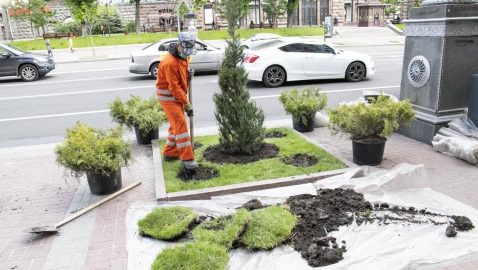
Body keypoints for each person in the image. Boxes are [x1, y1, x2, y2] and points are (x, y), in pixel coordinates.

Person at [155, 32, 199, 170]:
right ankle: (187, 159)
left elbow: (182, 69)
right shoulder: (169, 63)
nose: (187, 54)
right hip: (168, 98)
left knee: (175, 125)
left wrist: (188, 73)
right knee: (180, 125)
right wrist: (186, 103)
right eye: (185, 51)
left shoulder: (183, 56)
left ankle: (169, 153)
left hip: (177, 96)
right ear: (179, 46)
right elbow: (173, 87)